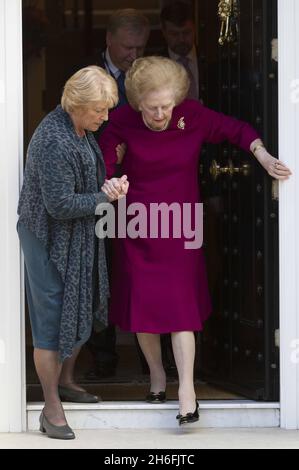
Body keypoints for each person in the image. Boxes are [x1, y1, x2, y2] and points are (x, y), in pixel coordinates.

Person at [98, 56, 291, 425]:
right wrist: (111, 180)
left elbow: (237, 130)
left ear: (177, 99)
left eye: (167, 106)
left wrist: (262, 156)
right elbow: (106, 159)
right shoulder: (121, 120)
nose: (160, 115)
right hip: (138, 225)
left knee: (181, 307)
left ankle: (187, 391)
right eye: (152, 108)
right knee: (145, 309)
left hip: (182, 225)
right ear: (137, 103)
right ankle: (157, 375)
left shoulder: (193, 114)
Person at [17, 66, 129, 439]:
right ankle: (51, 409)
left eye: (107, 109)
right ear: (76, 104)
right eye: (99, 109)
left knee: (79, 300)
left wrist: (106, 185)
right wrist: (105, 197)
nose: (105, 116)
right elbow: (60, 205)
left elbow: (81, 183)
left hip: (76, 233)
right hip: (47, 237)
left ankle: (66, 380)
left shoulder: (81, 130)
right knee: (50, 320)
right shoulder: (53, 139)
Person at [85, 8, 150, 380]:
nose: (134, 55)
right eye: (128, 47)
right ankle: (103, 356)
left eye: (140, 46)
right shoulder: (84, 71)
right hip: (100, 187)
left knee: (140, 270)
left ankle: (149, 358)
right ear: (109, 40)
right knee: (101, 270)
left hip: (143, 188)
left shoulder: (146, 71)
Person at [160, 1, 200, 101]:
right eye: (174, 34)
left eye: (186, 33)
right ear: (164, 33)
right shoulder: (155, 64)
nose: (181, 39)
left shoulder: (211, 60)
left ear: (195, 29)